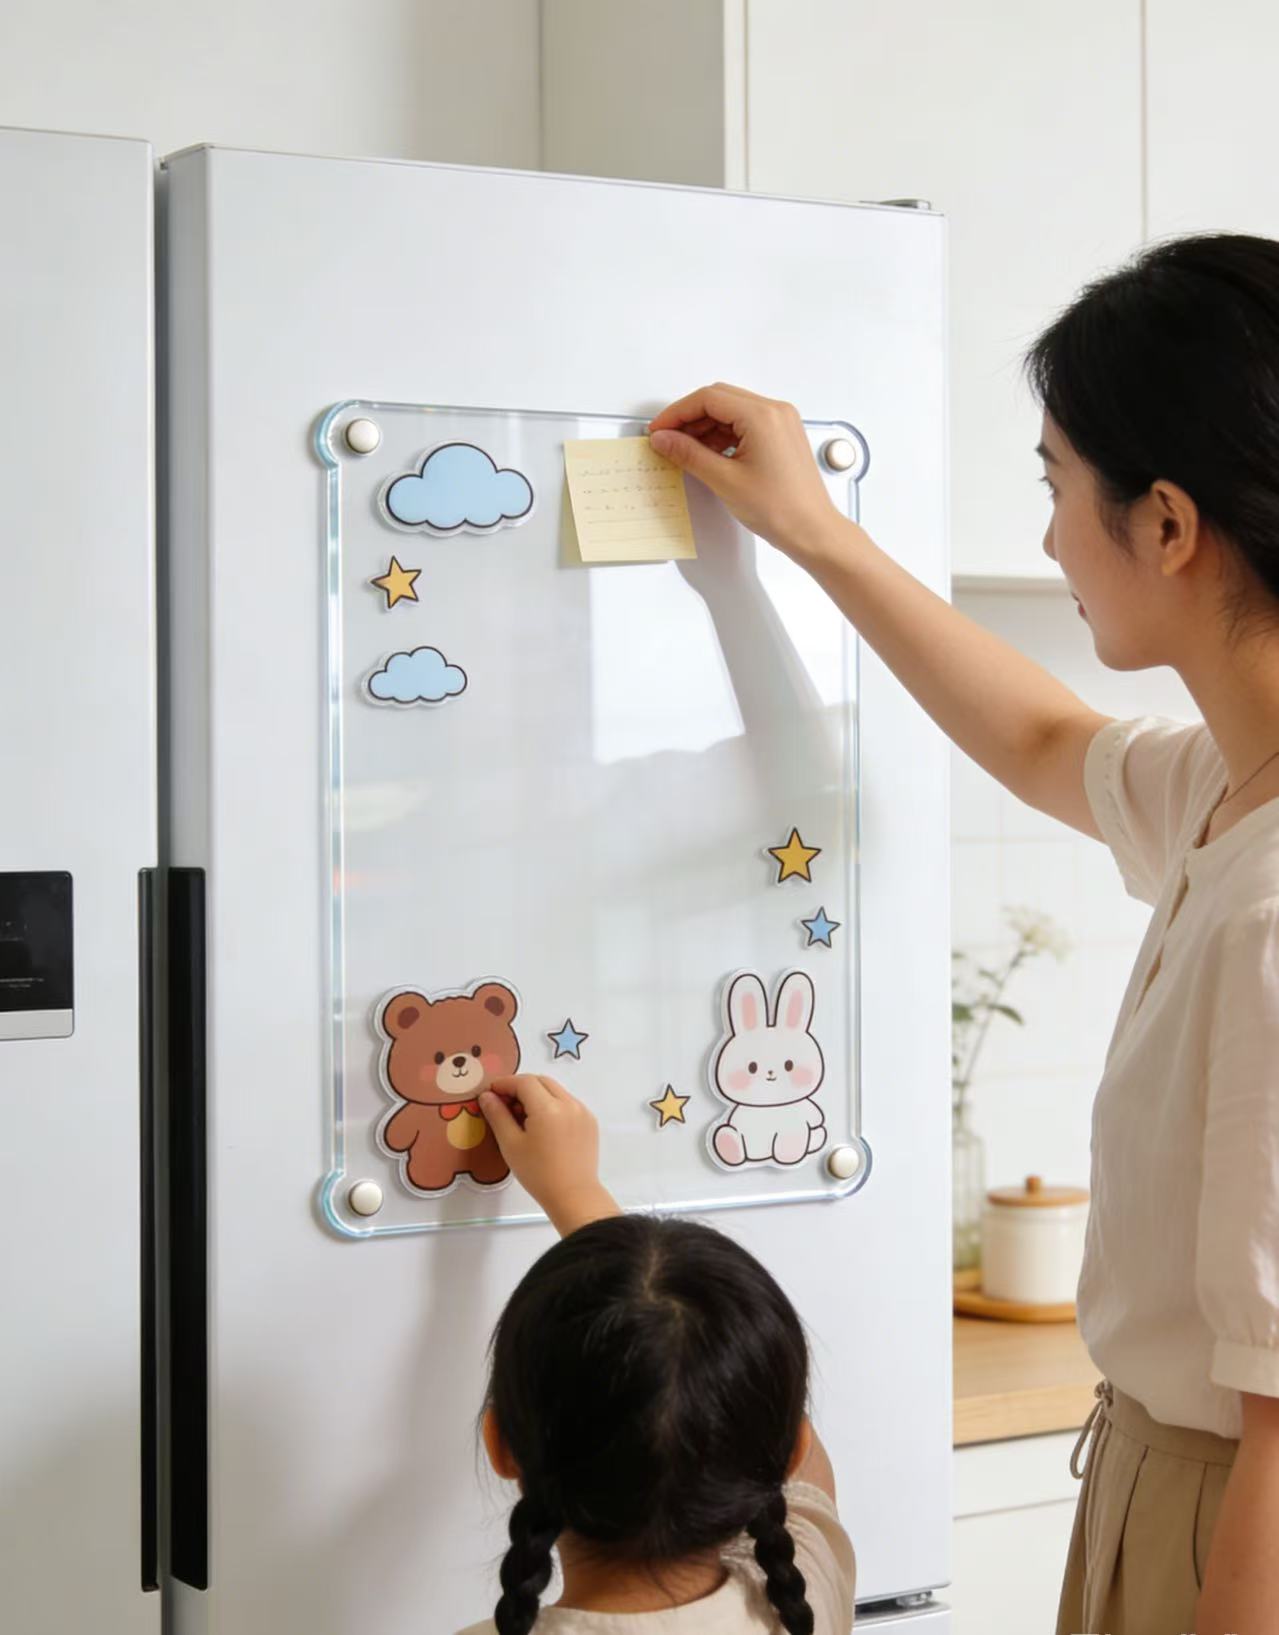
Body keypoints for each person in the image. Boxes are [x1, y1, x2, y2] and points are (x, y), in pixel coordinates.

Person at [645, 232, 1279, 1635]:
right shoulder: (1223, 791)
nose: (1050, 533)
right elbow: (1047, 736)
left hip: (1229, 1527)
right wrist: (810, 527)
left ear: (1165, 524)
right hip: (1160, 1483)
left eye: (1055, 485)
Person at [454, 1073, 856, 1635]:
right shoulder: (801, 1592)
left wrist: (570, 1190)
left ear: (501, 1444)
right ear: (788, 1452)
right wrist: (576, 1191)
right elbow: (752, 1395)